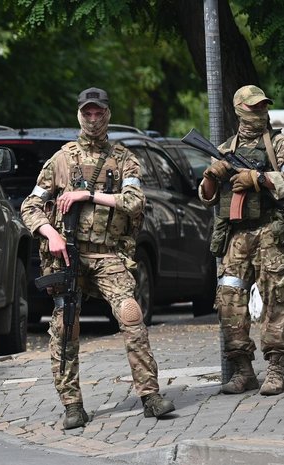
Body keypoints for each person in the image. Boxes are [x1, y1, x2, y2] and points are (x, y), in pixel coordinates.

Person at [20, 87, 175, 429]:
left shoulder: (124, 159)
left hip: (108, 255)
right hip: (69, 258)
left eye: (98, 113)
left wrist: (88, 194)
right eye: (87, 113)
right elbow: (30, 206)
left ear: (107, 114)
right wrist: (52, 233)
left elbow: (135, 201)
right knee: (65, 326)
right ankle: (72, 404)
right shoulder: (61, 160)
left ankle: (150, 396)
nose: (93, 119)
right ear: (80, 114)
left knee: (131, 316)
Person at [199, 85, 284, 396]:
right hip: (237, 237)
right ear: (239, 109)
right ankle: (243, 370)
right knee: (229, 301)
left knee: (277, 299)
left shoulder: (282, 145)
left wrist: (258, 179)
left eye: (262, 107)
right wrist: (211, 176)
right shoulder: (225, 150)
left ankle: (275, 369)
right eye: (253, 107)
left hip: (273, 231)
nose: (259, 112)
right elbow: (206, 197)